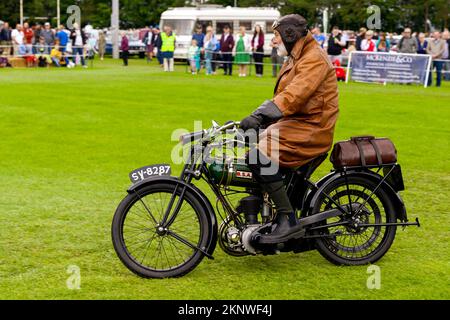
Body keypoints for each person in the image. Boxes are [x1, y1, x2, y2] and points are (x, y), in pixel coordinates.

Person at [239, 14, 339, 244]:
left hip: (312, 128)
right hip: (297, 124)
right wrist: (258, 121)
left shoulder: (313, 59)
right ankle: (258, 206)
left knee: (258, 156)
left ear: (289, 35)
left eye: (275, 35)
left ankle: (288, 219)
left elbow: (294, 95)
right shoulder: (297, 56)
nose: (273, 41)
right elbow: (284, 97)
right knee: (250, 146)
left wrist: (259, 116)